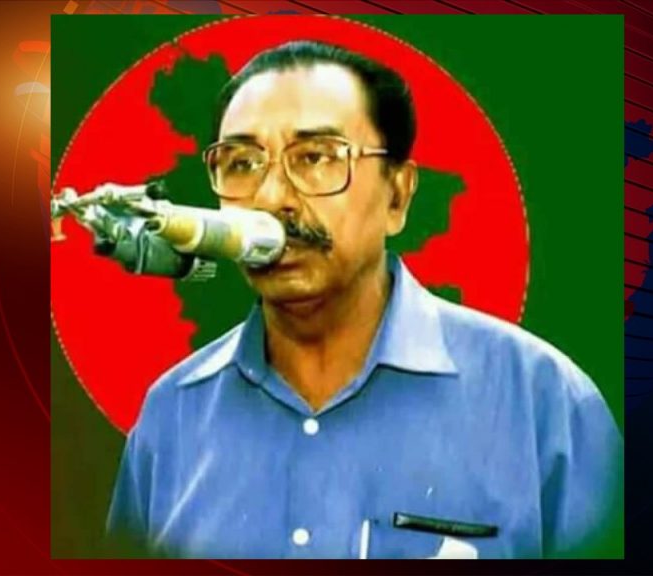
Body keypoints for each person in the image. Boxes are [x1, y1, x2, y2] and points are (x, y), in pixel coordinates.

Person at [107, 40, 622, 559]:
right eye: (241, 163)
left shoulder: (543, 404)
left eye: (315, 157)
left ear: (398, 195)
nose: (270, 198)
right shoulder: (171, 414)